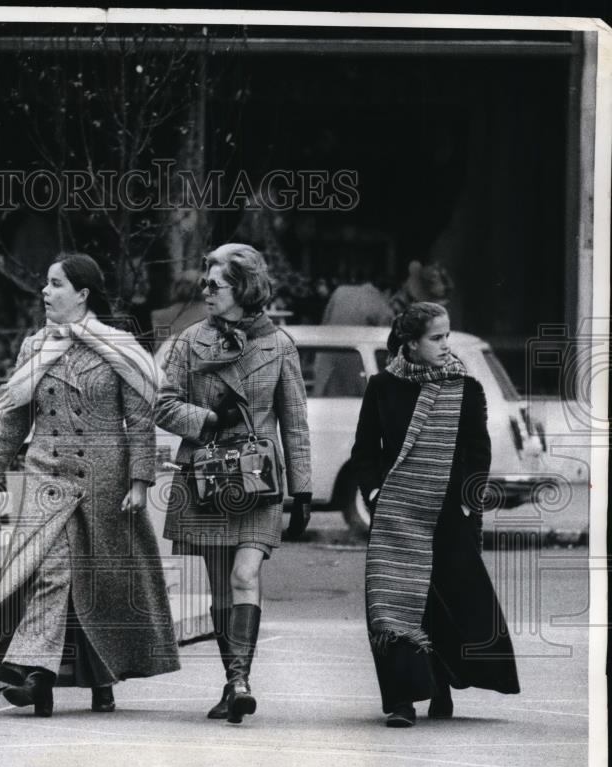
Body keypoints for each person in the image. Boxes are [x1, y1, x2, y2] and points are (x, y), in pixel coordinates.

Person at [0, 253, 180, 716]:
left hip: (103, 480)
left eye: (55, 285)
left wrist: (139, 481)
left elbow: (138, 420)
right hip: (46, 477)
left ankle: (100, 676)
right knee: (51, 571)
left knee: (95, 581)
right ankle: (38, 676)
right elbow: (15, 419)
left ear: (82, 294)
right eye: (46, 283)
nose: (45, 292)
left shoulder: (119, 347)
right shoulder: (34, 348)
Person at [155, 243, 313, 724]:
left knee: (245, 575)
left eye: (215, 283)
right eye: (204, 281)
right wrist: (208, 417)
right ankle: (232, 682)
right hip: (208, 476)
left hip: (259, 479)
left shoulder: (279, 344)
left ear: (242, 288)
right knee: (221, 590)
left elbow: (296, 420)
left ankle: (241, 679)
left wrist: (302, 488)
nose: (205, 290)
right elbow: (161, 404)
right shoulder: (188, 342)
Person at [351, 302, 520, 728]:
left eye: (448, 336)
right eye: (437, 338)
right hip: (394, 513)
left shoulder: (466, 388)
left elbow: (476, 455)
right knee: (391, 604)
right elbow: (365, 451)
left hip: (447, 513)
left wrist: (465, 504)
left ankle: (440, 681)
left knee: (442, 604)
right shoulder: (382, 387)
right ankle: (402, 701)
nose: (447, 345)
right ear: (411, 343)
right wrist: (374, 493)